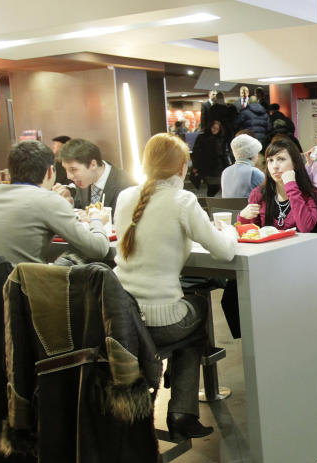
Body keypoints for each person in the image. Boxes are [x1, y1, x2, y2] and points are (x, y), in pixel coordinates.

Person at [114, 133, 239, 439]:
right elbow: (224, 251)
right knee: (197, 312)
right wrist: (231, 230)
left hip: (119, 316)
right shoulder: (183, 201)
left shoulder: (125, 196)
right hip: (160, 321)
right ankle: (182, 412)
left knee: (187, 313)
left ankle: (182, 408)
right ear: (182, 167)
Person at [0, 141, 110, 264]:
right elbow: (98, 249)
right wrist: (96, 219)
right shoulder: (48, 200)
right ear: (50, 172)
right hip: (22, 291)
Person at [238, 136, 317, 232]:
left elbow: (305, 228)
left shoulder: (311, 193)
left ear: (295, 163)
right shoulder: (258, 194)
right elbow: (252, 235)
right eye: (270, 160)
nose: (275, 166)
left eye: (281, 159)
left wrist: (291, 186)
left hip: (299, 246)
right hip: (268, 247)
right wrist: (243, 217)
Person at [59, 138, 137, 210]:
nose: (69, 176)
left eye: (73, 169)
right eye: (65, 169)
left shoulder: (126, 185)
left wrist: (94, 219)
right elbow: (82, 206)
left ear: (93, 164)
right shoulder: (84, 180)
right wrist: (70, 202)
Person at [191, 120, 230, 197]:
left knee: (217, 186)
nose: (214, 130)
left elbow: (224, 154)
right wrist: (195, 165)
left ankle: (210, 201)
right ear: (210, 127)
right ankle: (210, 201)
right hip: (207, 166)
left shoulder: (221, 139)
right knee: (211, 186)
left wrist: (228, 166)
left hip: (218, 166)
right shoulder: (202, 137)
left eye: (217, 128)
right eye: (213, 128)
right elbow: (196, 152)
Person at [221, 134, 264, 198]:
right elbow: (270, 195)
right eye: (257, 152)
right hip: (249, 207)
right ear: (252, 153)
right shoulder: (253, 172)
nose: (258, 156)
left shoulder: (225, 171)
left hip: (226, 207)